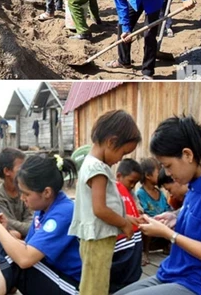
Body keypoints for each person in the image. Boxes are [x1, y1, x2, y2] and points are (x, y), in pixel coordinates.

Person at [115, 115, 201, 295]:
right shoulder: (195, 183)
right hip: (173, 273)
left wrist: (169, 234)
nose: (169, 173)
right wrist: (175, 217)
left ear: (187, 154)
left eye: (168, 166)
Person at [0, 154, 82, 295]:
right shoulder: (42, 209)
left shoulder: (63, 212)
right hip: (52, 275)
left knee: (12, 259)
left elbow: (25, 259)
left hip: (71, 286)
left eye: (26, 194)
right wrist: (5, 230)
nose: (22, 198)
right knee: (4, 248)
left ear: (46, 192)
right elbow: (26, 247)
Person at [69, 110, 142, 295]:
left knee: (94, 282)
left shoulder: (91, 164)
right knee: (95, 287)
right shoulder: (98, 169)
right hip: (97, 240)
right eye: (123, 153)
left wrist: (126, 217)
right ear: (111, 142)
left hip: (96, 238)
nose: (121, 159)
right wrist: (123, 223)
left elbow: (105, 205)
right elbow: (100, 209)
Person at [97, 0, 196, 79]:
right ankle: (124, 61)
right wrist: (127, 29)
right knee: (122, 27)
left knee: (149, 34)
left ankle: (147, 71)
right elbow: (121, 4)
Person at [111, 159, 144, 291]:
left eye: (135, 183)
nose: (132, 185)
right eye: (131, 181)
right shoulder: (112, 189)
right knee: (120, 276)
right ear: (119, 176)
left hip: (135, 239)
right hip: (121, 242)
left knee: (133, 274)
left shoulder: (130, 192)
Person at [0, 148, 33, 239]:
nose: (25, 172)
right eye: (21, 169)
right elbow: (6, 222)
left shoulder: (25, 191)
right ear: (7, 171)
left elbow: (30, 217)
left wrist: (30, 227)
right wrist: (30, 228)